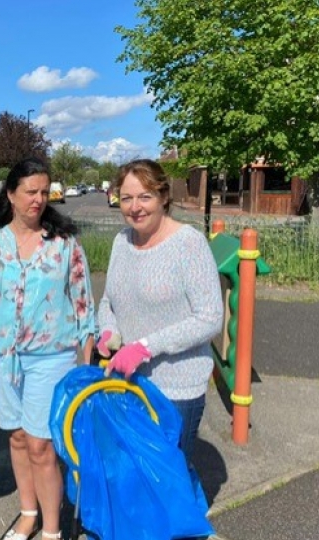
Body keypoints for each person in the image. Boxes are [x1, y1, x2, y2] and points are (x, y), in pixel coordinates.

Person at [0, 157, 96, 540]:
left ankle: (52, 530)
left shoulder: (64, 245)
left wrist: (84, 370)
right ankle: (28, 513)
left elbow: (84, 309)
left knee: (42, 445)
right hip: (4, 359)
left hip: (51, 358)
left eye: (45, 192)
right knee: (19, 439)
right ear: (10, 195)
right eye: (30, 192)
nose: (39, 199)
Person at [97, 158, 224, 464]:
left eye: (145, 196)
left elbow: (210, 318)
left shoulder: (188, 244)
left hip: (176, 390)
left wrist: (145, 347)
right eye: (126, 198)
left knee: (168, 482)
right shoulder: (121, 241)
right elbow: (108, 301)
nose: (135, 207)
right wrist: (108, 330)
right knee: (136, 476)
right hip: (128, 383)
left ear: (164, 197)